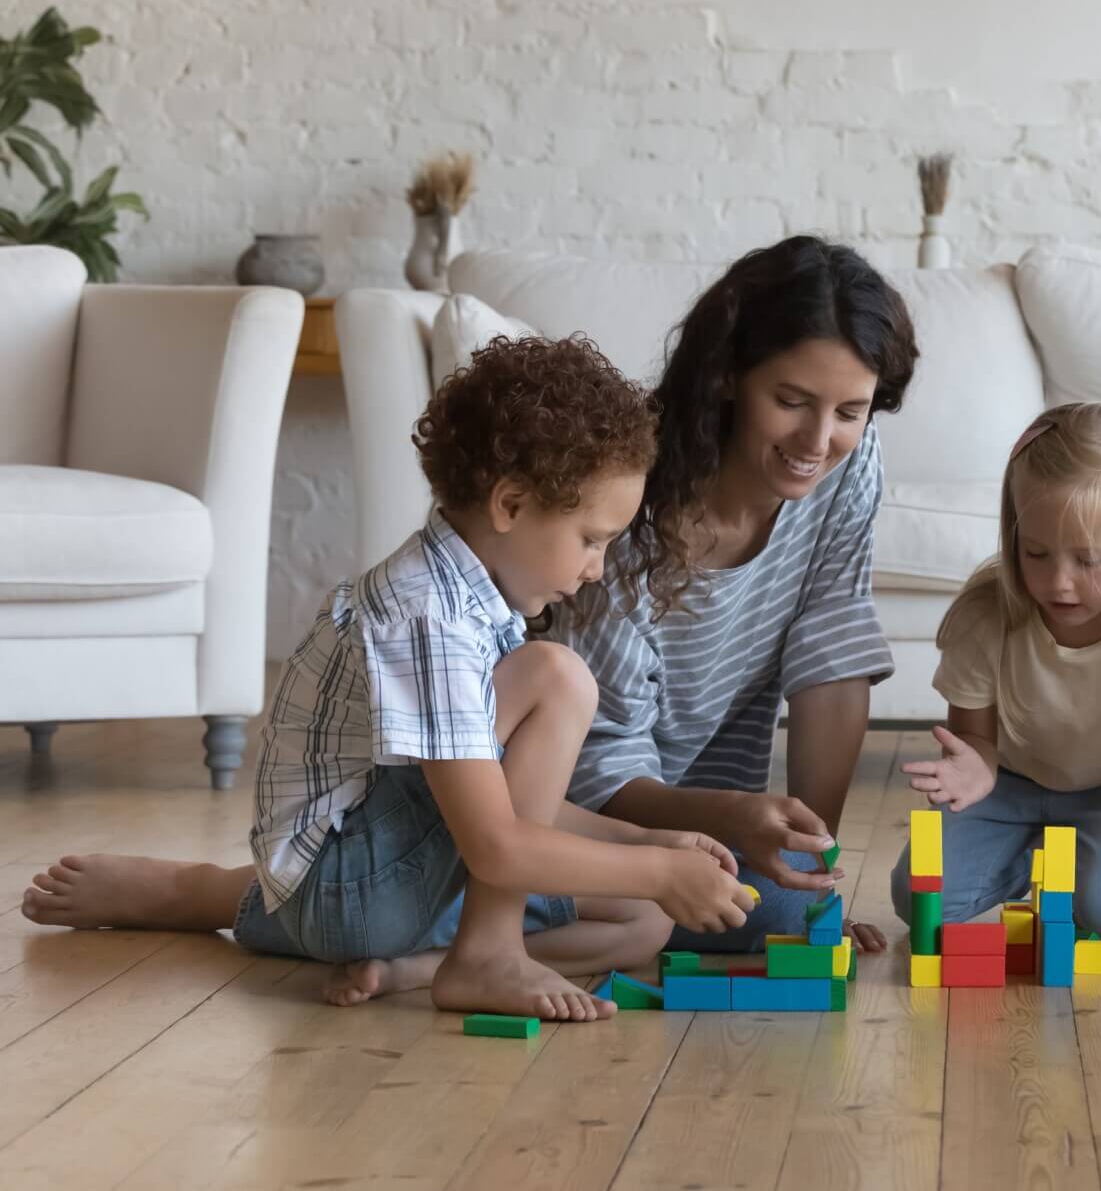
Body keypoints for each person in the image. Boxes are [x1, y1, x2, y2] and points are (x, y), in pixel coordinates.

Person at [25, 336, 756, 1017]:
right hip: (351, 891)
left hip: (379, 891)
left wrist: (645, 849)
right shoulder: (428, 618)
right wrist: (662, 870)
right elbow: (497, 842)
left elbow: (500, 805)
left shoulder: (475, 606)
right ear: (510, 505)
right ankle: (487, 953)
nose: (597, 567)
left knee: (642, 922)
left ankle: (419, 965)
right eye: (591, 540)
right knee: (559, 677)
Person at [534, 234, 918, 953]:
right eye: (792, 401)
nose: (819, 439)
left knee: (781, 917)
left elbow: (831, 645)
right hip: (570, 812)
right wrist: (735, 819)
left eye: (849, 410)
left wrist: (810, 867)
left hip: (706, 825)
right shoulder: (626, 514)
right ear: (726, 376)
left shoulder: (850, 467)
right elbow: (593, 767)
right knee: (746, 918)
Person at [891, 403, 1101, 950]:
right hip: (1010, 786)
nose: (1059, 583)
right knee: (917, 896)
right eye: (1036, 553)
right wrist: (975, 767)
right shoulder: (987, 616)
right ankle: (1041, 864)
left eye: (1089, 560)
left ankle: (1080, 866)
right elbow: (976, 739)